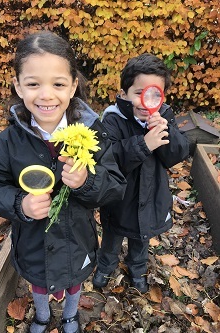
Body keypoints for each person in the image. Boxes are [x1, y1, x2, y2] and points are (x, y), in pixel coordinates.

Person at [0, 31, 126, 333]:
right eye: (33, 84)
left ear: (72, 87)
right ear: (18, 86)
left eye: (57, 84)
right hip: (33, 240)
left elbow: (116, 184)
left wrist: (86, 181)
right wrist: (20, 203)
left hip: (77, 237)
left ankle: (70, 316)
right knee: (39, 283)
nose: (45, 95)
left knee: (74, 281)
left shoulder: (93, 135)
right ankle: (42, 316)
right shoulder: (8, 143)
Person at [92, 53, 190, 293]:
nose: (147, 101)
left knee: (141, 240)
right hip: (119, 200)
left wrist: (165, 133)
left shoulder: (164, 115)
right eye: (139, 94)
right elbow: (109, 157)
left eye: (155, 94)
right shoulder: (113, 118)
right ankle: (105, 267)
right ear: (125, 93)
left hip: (151, 197)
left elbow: (176, 155)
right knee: (112, 239)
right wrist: (144, 144)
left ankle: (137, 270)